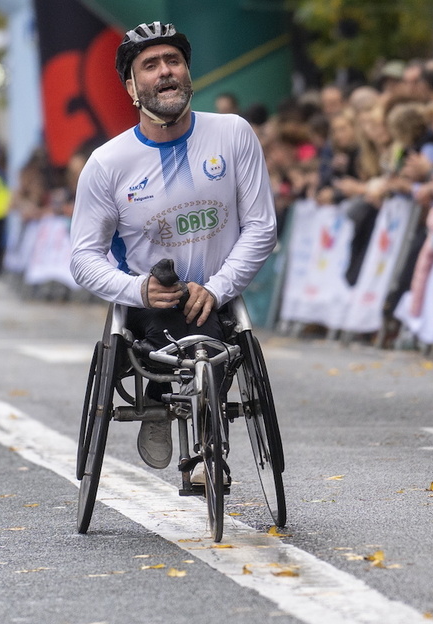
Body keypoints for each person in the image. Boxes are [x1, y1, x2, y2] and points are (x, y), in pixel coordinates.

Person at [69, 22, 277, 475]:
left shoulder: (233, 133)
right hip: (150, 303)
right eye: (150, 65)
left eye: (173, 61)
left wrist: (217, 288)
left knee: (206, 336)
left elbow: (262, 227)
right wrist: (138, 290)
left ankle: (208, 449)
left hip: (218, 294)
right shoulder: (107, 164)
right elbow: (83, 258)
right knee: (180, 331)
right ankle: (159, 397)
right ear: (131, 88)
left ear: (188, 73)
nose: (165, 71)